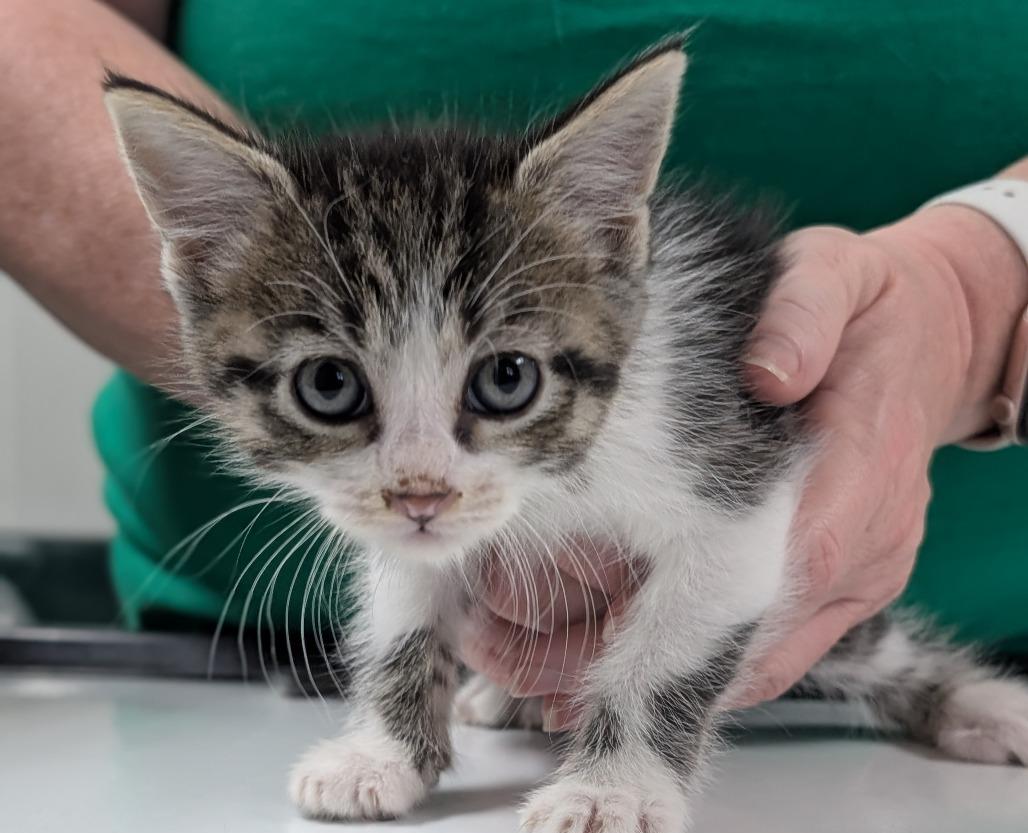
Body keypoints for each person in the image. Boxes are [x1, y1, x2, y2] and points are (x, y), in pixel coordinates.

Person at [4, 1, 1028, 724]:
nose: (416, 482)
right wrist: (259, 274)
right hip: (233, 674)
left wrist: (977, 280)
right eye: (332, 388)